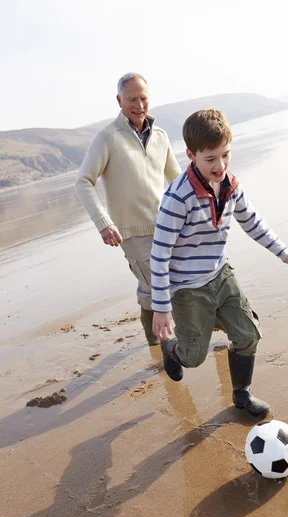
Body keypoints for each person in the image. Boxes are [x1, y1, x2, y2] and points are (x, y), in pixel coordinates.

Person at [150, 109, 288, 418]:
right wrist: (161, 306)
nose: (220, 165)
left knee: (249, 333)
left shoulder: (231, 185)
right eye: (210, 159)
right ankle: (171, 350)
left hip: (221, 274)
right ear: (191, 155)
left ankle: (242, 394)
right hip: (187, 288)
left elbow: (252, 222)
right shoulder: (177, 199)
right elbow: (160, 254)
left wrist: (284, 253)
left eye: (225, 155)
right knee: (194, 357)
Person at [75, 73, 181, 345]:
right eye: (132, 99)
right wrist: (103, 222)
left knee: (170, 282)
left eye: (143, 98)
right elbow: (83, 181)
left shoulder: (160, 135)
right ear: (119, 100)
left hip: (167, 225)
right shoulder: (107, 138)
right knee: (155, 287)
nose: (139, 105)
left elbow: (178, 181)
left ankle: (160, 342)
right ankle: (163, 346)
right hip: (131, 232)